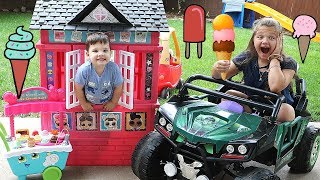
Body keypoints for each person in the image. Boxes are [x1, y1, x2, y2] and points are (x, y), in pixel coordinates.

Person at [212, 17, 297, 122]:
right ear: (253, 39)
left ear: (279, 42)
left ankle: (265, 126)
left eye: (271, 38)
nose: (265, 41)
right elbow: (222, 76)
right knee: (230, 94)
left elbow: (275, 87)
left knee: (286, 110)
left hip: (275, 110)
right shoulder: (247, 56)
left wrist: (275, 59)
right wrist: (217, 68)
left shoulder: (288, 63)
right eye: (260, 37)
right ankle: (243, 120)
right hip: (250, 104)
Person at [75, 32, 123, 111]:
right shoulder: (84, 70)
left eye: (105, 50)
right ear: (87, 54)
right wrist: (83, 103)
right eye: (95, 51)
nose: (101, 54)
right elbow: (78, 88)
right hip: (89, 102)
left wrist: (113, 102)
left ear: (110, 53)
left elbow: (118, 87)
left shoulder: (114, 68)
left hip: (107, 102)